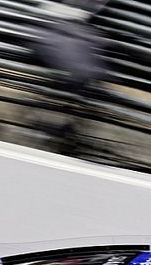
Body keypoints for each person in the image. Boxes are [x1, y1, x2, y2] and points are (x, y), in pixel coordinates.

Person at [30, 0, 108, 155]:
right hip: (56, 30)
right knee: (83, 70)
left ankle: (58, 126)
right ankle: (53, 127)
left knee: (87, 72)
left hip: (70, 33)